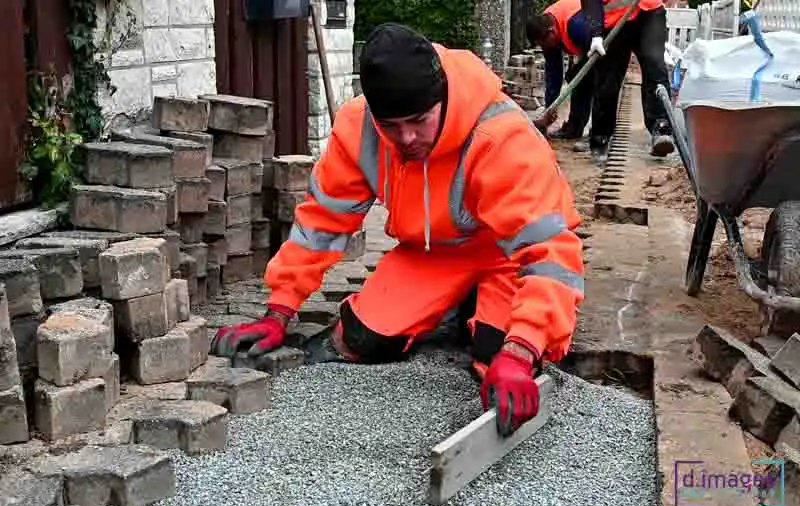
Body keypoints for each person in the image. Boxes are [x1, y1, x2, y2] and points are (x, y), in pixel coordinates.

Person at [210, 23, 585, 437]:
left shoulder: (501, 135)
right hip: (432, 255)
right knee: (361, 340)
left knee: (498, 360)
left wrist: (522, 347)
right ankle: (459, 307)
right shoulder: (359, 129)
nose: (406, 138)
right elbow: (321, 223)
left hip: (506, 255)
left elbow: (549, 253)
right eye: (391, 125)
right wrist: (278, 309)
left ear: (442, 98)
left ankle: (480, 315)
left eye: (420, 121)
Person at [579, 0, 676, 158]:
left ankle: (661, 127)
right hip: (614, 20)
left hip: (648, 12)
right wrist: (596, 33)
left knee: (654, 64)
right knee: (607, 79)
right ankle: (600, 135)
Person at [525, 0, 604, 141]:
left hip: (603, 36)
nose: (544, 47)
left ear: (552, 32)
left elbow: (599, 61)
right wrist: (549, 109)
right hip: (585, 36)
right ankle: (575, 128)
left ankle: (599, 131)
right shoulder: (546, 29)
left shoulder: (576, 27)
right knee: (577, 77)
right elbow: (553, 74)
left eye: (543, 43)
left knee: (591, 80)